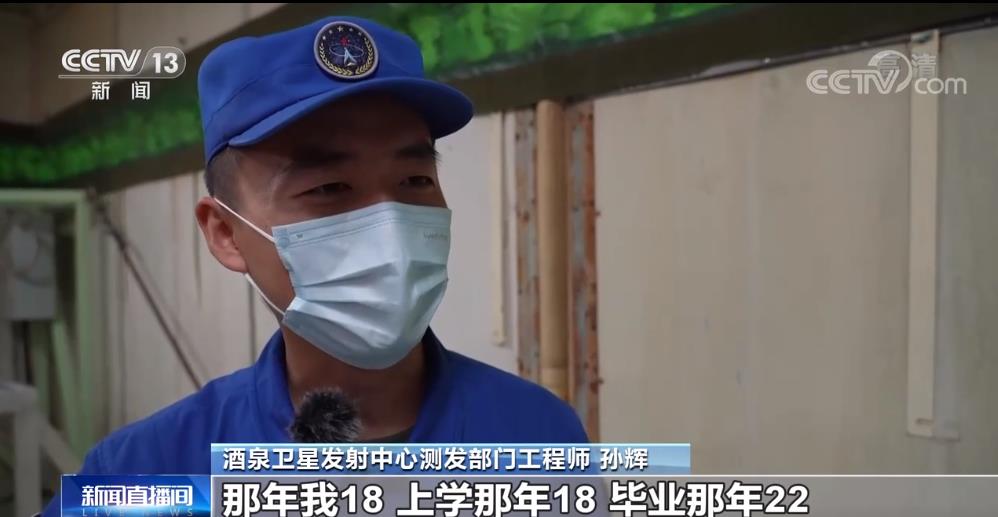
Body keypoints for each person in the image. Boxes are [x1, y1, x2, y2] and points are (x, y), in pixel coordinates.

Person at [42, 14, 586, 516]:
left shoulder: (539, 435)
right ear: (226, 233)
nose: (389, 225)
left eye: (415, 180)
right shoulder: (144, 472)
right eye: (329, 188)